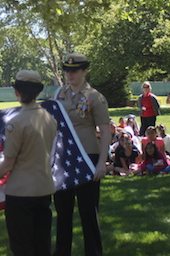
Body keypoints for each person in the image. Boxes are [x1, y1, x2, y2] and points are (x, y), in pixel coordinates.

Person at [0, 70, 57, 256]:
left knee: (22, 248)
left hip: (21, 194)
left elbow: (8, 164)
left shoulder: (16, 123)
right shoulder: (50, 119)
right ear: (37, 93)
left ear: (17, 93)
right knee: (42, 246)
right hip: (44, 191)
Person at [53, 54, 111, 256]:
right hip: (64, 159)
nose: (70, 74)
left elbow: (105, 132)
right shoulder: (59, 94)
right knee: (63, 211)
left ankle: (93, 252)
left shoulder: (95, 97)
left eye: (74, 70)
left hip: (88, 158)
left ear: (85, 71)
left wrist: (102, 162)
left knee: (88, 211)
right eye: (67, 70)